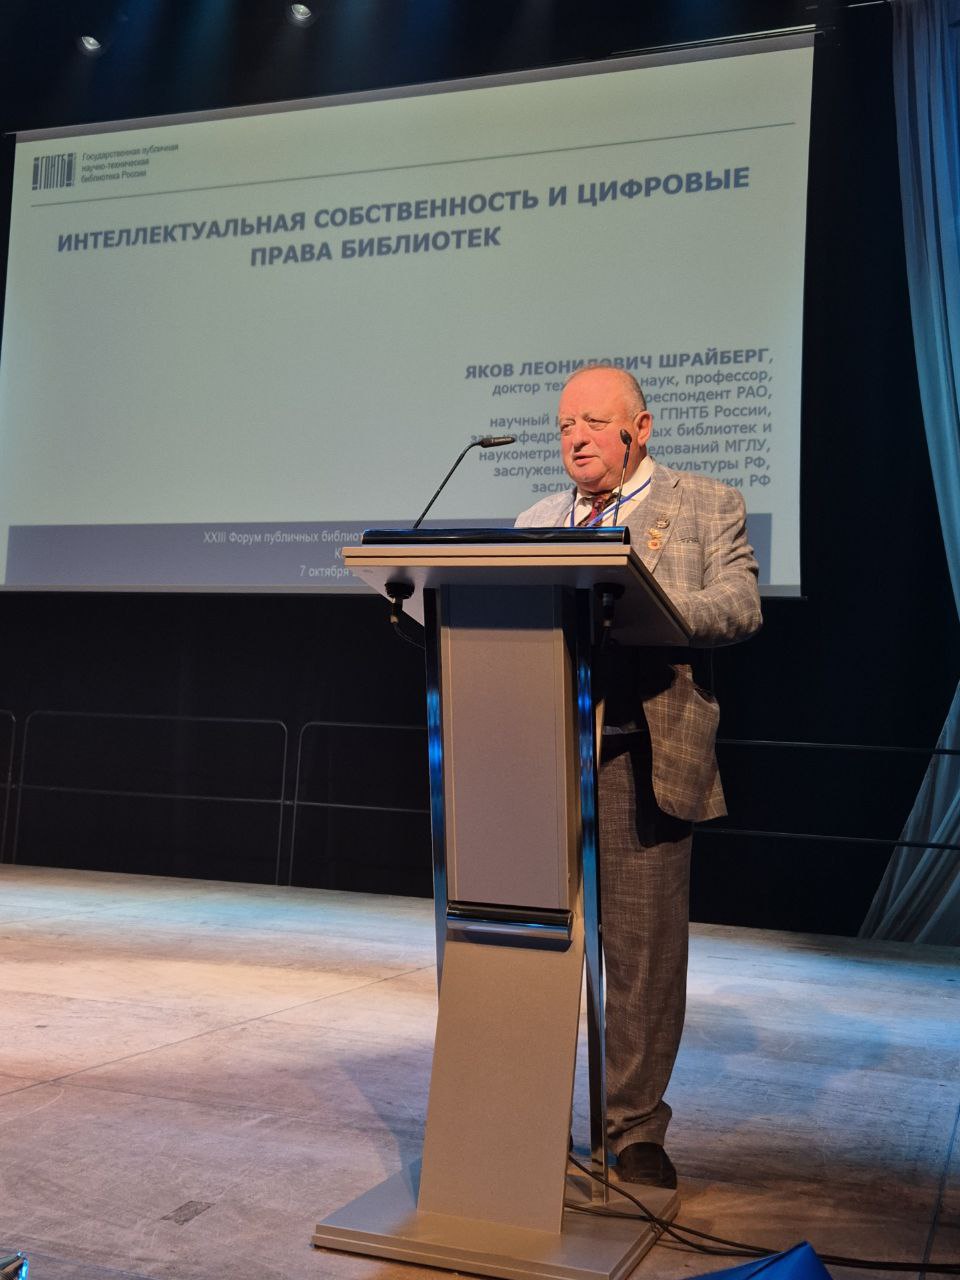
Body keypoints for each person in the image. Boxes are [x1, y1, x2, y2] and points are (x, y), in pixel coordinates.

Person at [515, 364, 762, 1187]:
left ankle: (633, 1128)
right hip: (545, 758)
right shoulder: (535, 521)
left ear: (640, 428)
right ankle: (529, 1116)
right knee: (534, 946)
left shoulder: (706, 503)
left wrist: (655, 607)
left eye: (592, 422)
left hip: (641, 755)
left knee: (643, 956)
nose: (575, 438)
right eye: (564, 426)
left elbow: (741, 605)